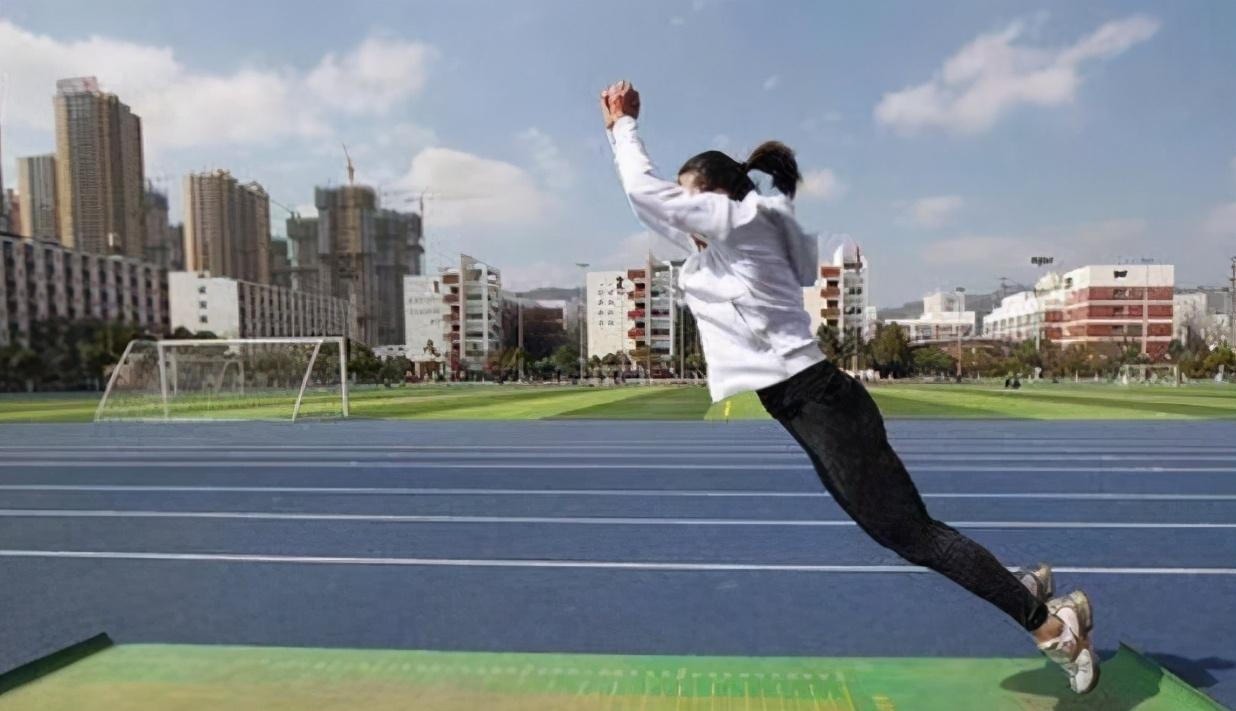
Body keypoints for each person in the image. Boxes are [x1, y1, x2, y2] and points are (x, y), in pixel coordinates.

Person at [599, 80, 1099, 694]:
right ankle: (1020, 586)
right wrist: (621, 143)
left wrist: (624, 126)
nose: (681, 212)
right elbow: (649, 207)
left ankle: (1051, 624)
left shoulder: (748, 226)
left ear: (721, 200)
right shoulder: (730, 243)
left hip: (819, 403)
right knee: (901, 531)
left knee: (914, 535)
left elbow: (645, 193)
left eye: (690, 200)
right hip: (809, 405)